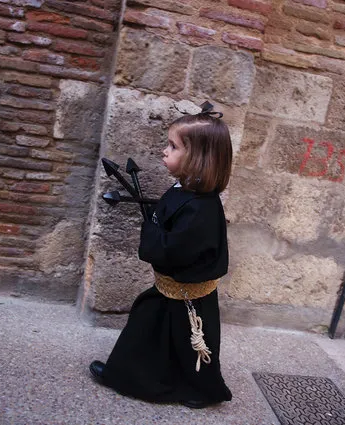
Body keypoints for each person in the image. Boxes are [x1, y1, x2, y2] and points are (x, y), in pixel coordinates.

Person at [89, 101, 233, 409]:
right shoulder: (184, 192)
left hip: (186, 291)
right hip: (176, 288)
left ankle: (199, 391)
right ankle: (129, 374)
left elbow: (172, 250)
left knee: (188, 339)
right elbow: (165, 224)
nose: (165, 152)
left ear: (198, 158)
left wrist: (153, 231)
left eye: (173, 146)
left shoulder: (200, 208)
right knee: (163, 333)